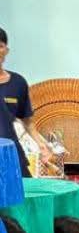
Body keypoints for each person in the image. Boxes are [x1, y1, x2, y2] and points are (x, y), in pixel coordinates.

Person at [0, 27, 54, 176]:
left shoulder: (18, 83)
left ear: (6, 51)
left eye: (0, 46)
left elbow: (28, 123)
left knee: (24, 189)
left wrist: (42, 146)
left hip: (11, 155)